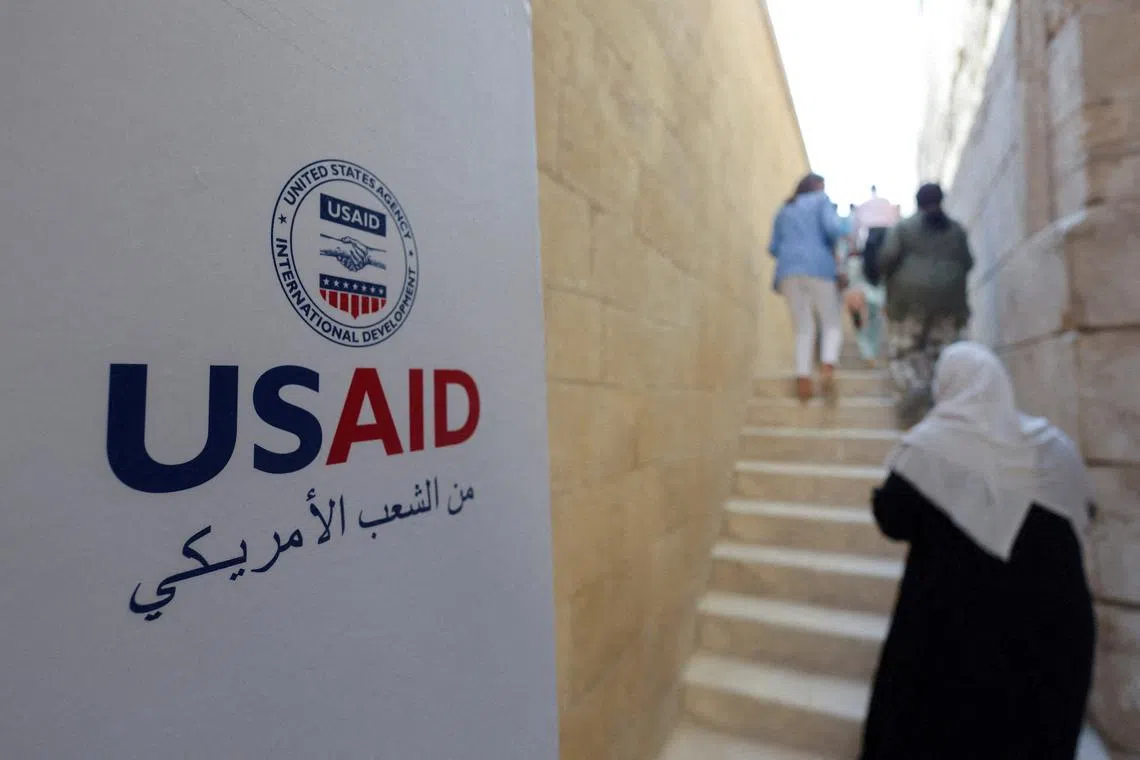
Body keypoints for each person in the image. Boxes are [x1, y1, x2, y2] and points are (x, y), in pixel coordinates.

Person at [859, 342, 1096, 760]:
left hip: (953, 629)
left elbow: (893, 517)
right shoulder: (1052, 446)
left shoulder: (931, 447)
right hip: (1048, 631)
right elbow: (1083, 511)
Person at [878, 183, 973, 426]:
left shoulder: (903, 228)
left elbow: (887, 258)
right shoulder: (956, 230)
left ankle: (914, 387)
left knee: (903, 351)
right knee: (940, 354)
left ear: (917, 202)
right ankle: (937, 402)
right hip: (949, 302)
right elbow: (968, 262)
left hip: (909, 300)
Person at [768, 173, 845, 401]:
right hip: (819, 267)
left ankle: (803, 378)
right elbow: (833, 229)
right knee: (831, 322)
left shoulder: (784, 209)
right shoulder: (822, 201)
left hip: (788, 271)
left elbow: (773, 247)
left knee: (803, 327)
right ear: (818, 187)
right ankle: (828, 366)